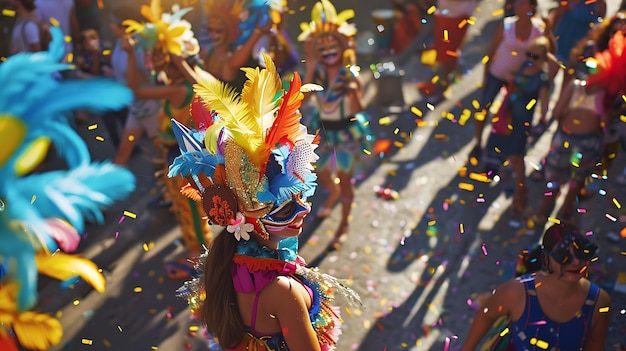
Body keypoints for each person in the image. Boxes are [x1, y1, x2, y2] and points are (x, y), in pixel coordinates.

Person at [171, 53, 361, 350]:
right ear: (250, 219)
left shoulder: (225, 262)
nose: (306, 208)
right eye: (286, 207)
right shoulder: (282, 291)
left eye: (302, 197)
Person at [121, 0, 212, 255]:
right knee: (191, 207)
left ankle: (199, 253)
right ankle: (201, 250)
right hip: (184, 156)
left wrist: (129, 55)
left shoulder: (182, 87)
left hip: (185, 160)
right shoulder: (193, 75)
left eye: (164, 56)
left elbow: (136, 90)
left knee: (191, 209)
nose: (156, 62)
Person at [460, 223, 611, 351]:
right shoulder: (516, 292)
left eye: (581, 252)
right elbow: (486, 314)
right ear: (546, 259)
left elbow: (594, 346)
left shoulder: (599, 302)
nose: (576, 262)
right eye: (564, 255)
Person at [301, 0, 374, 250]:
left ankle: (342, 226)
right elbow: (305, 98)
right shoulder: (318, 73)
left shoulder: (350, 75)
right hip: (323, 131)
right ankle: (331, 194)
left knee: (345, 182)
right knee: (322, 174)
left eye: (333, 44)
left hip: (346, 133)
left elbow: (359, 108)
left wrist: (353, 93)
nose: (328, 50)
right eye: (322, 46)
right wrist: (310, 67)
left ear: (343, 47)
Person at [535, 30, 626, 223]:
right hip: (572, 139)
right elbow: (557, 112)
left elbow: (603, 121)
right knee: (562, 178)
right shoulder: (577, 87)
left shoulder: (600, 95)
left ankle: (558, 209)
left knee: (572, 179)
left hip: (580, 141)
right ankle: (551, 208)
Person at [468, 0, 558, 166]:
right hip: (497, 74)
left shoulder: (538, 29)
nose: (516, 5)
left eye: (521, 3)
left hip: (518, 80)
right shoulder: (506, 25)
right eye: (516, 3)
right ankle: (478, 143)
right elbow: (491, 51)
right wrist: (485, 76)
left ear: (531, 7)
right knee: (483, 108)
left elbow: (550, 52)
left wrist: (549, 31)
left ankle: (499, 151)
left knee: (509, 116)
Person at [483, 36, 550, 215]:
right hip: (508, 116)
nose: (530, 59)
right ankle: (501, 170)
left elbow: (544, 105)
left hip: (522, 123)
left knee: (517, 158)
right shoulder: (523, 67)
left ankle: (520, 193)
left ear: (543, 58)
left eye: (535, 57)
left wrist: (543, 121)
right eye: (529, 54)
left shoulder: (542, 79)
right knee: (502, 148)